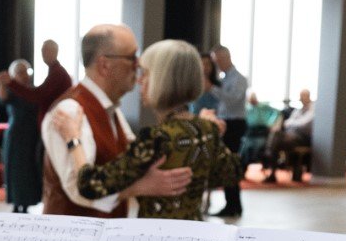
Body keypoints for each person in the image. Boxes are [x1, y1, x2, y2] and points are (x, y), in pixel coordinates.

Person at [51, 39, 240, 222]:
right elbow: (232, 172)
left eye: (145, 74)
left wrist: (73, 138)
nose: (140, 81)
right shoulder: (206, 129)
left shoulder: (157, 138)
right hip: (192, 240)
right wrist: (212, 133)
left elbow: (89, 185)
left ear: (163, 80)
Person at [41, 23, 191, 217]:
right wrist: (138, 188)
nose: (138, 65)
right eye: (131, 57)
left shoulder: (111, 109)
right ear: (105, 65)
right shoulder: (70, 110)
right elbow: (79, 191)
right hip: (73, 237)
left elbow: (135, 160)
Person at [0, 39, 73, 130]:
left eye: (45, 50)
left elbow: (38, 95)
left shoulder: (57, 73)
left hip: (52, 127)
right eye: (42, 51)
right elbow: (3, 99)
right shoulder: (55, 71)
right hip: (19, 132)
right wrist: (4, 83)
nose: (43, 54)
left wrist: (11, 83)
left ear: (54, 52)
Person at [0, 59, 42, 213]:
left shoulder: (33, 90)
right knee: (15, 170)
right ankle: (16, 202)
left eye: (26, 72)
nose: (24, 76)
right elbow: (2, 98)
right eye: (20, 73)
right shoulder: (12, 90)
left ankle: (27, 203)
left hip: (31, 135)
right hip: (16, 135)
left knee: (28, 171)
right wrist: (3, 83)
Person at [209, 45, 248, 217]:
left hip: (234, 125)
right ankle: (231, 204)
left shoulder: (238, 78)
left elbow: (231, 100)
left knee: (229, 165)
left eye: (216, 61)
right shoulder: (226, 78)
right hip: (227, 122)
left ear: (225, 58)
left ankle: (234, 205)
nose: (216, 65)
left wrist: (211, 87)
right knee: (226, 165)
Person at [263, 88, 314, 182]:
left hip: (303, 138)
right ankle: (272, 169)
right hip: (291, 135)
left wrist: (292, 123)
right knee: (276, 135)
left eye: (303, 96)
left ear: (308, 96)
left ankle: (269, 153)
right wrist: (292, 123)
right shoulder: (298, 110)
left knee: (277, 139)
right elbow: (287, 123)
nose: (301, 98)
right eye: (300, 96)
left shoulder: (313, 109)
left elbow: (303, 124)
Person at [239, 91, 282, 168]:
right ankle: (241, 170)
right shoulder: (248, 108)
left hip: (262, 131)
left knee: (258, 148)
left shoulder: (263, 106)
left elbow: (277, 112)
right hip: (251, 132)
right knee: (243, 149)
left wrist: (271, 123)